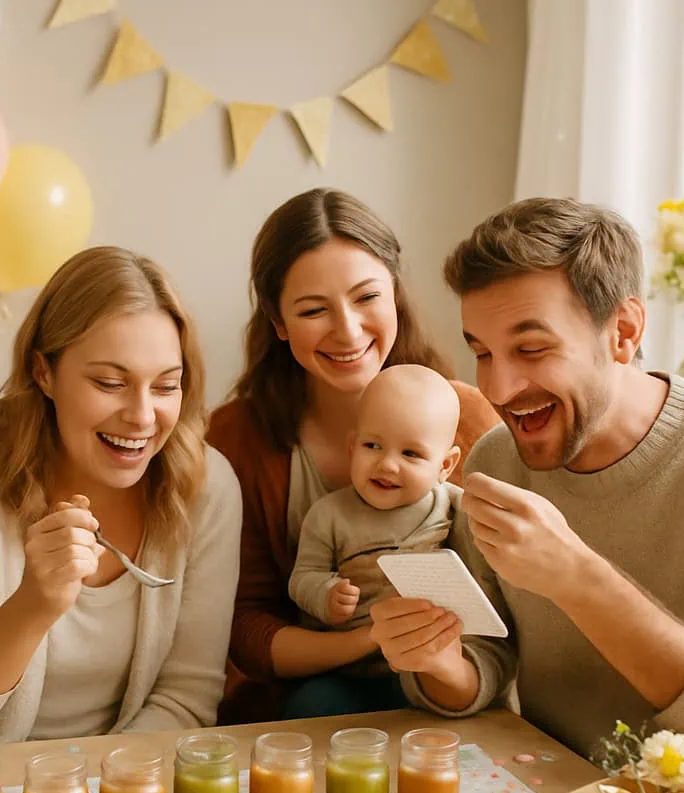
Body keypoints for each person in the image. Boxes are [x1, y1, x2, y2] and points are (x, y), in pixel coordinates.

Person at [369, 196, 684, 765]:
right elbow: (488, 662)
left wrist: (576, 577)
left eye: (531, 349)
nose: (498, 389)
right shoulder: (498, 459)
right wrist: (439, 660)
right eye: (483, 352)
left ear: (623, 330)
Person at [0, 246, 242, 748]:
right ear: (44, 372)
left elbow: (184, 702)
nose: (142, 416)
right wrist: (33, 605)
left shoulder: (206, 487)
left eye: (165, 386)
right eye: (110, 383)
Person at [207, 187, 499, 723]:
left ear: (395, 296)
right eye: (314, 310)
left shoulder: (469, 417)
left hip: (450, 696)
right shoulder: (237, 437)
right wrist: (372, 638)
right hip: (308, 704)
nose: (347, 330)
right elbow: (244, 627)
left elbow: (504, 605)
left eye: (366, 298)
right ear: (278, 323)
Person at [287, 365, 462, 712]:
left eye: (410, 454)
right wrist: (326, 594)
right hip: (349, 671)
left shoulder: (454, 508)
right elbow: (301, 578)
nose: (387, 464)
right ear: (352, 446)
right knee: (309, 704)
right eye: (373, 445)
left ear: (445, 466)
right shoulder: (330, 515)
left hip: (425, 669)